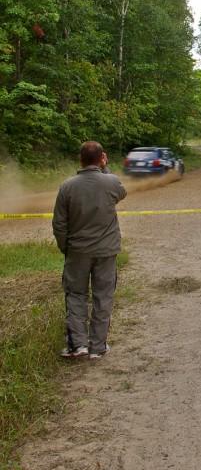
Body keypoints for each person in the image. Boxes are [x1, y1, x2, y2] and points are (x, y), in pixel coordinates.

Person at [52, 141, 127, 359]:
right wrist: (105, 168)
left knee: (75, 295)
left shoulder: (67, 186)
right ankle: (98, 347)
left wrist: (65, 247)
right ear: (102, 158)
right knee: (103, 297)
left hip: (77, 251)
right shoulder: (111, 182)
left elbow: (59, 224)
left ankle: (78, 345)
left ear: (80, 159)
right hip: (106, 252)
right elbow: (121, 193)